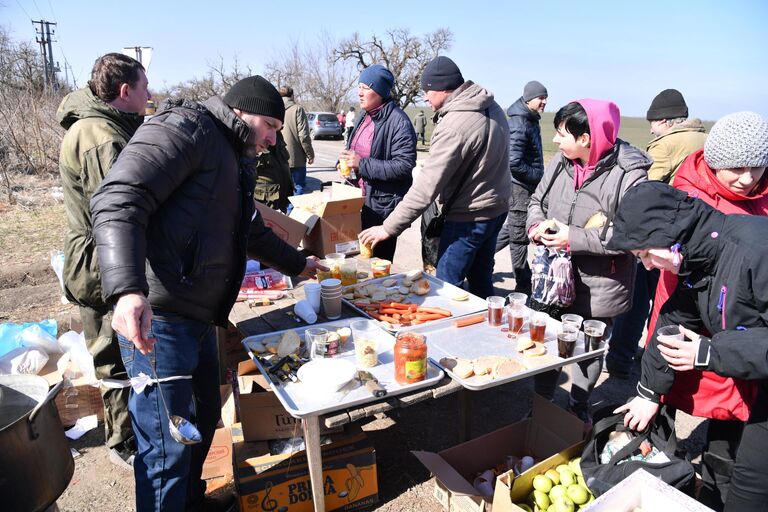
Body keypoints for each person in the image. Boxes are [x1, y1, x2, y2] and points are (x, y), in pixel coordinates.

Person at [90, 76, 324, 512]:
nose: (274, 139)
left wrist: (298, 264)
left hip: (199, 317)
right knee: (166, 448)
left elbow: (249, 229)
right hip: (158, 319)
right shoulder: (187, 128)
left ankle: (191, 503)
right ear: (241, 111)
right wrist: (125, 290)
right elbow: (118, 197)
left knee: (200, 422)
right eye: (270, 125)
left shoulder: (236, 154)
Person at [627, 112, 768, 509]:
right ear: (713, 162)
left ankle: (715, 483)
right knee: (674, 392)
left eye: (756, 166)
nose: (747, 178)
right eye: (735, 168)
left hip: (745, 332)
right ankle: (664, 475)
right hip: (695, 311)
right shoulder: (687, 196)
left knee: (734, 418)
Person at [528, 99, 649, 425]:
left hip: (600, 284)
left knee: (588, 347)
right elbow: (537, 199)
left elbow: (630, 235)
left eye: (562, 134)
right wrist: (536, 225)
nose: (555, 140)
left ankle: (577, 406)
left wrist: (574, 238)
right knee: (549, 341)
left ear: (587, 138)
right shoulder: (561, 163)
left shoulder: (629, 175)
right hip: (554, 279)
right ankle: (541, 404)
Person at [57, 52, 150, 470]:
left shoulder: (102, 126)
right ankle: (123, 439)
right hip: (98, 262)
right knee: (112, 351)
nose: (149, 97)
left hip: (97, 255)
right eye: (145, 89)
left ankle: (129, 428)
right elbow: (117, 211)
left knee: (118, 346)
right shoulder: (101, 137)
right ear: (126, 91)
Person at [360, 56, 511, 298]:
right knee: (481, 280)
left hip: (467, 218)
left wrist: (388, 228)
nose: (426, 98)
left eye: (427, 92)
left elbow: (426, 187)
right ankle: (485, 326)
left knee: (445, 286)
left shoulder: (453, 125)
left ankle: (450, 332)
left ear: (440, 89)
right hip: (496, 209)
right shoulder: (493, 108)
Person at [606, 89, 708, 378]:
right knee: (667, 302)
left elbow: (644, 192)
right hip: (696, 239)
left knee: (636, 299)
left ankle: (620, 358)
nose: (650, 128)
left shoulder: (665, 145)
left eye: (652, 123)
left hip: (660, 236)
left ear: (665, 121)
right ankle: (657, 360)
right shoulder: (706, 139)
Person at [339, 64, 416, 261]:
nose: (359, 93)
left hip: (381, 209)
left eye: (366, 87)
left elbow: (404, 166)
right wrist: (344, 164)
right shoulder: (363, 117)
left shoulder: (399, 122)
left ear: (380, 91)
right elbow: (354, 152)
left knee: (377, 267)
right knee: (352, 262)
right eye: (359, 87)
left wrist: (361, 164)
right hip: (357, 204)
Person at [494, 80, 548, 296]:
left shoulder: (529, 119)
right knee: (518, 236)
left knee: (513, 229)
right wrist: (537, 177)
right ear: (528, 99)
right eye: (541, 98)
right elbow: (513, 161)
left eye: (545, 97)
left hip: (524, 186)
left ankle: (480, 254)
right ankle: (523, 283)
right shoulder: (520, 122)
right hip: (519, 187)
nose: (544, 101)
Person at [280, 85, 314, 196]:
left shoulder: (275, 108)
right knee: (297, 187)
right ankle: (293, 213)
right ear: (292, 95)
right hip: (295, 158)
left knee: (283, 189)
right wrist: (310, 154)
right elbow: (303, 136)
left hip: (278, 157)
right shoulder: (297, 109)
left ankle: (284, 213)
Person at [251, 130, 294, 212]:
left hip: (282, 197)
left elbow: (283, 158)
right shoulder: (252, 134)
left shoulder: (277, 134)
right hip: (265, 200)